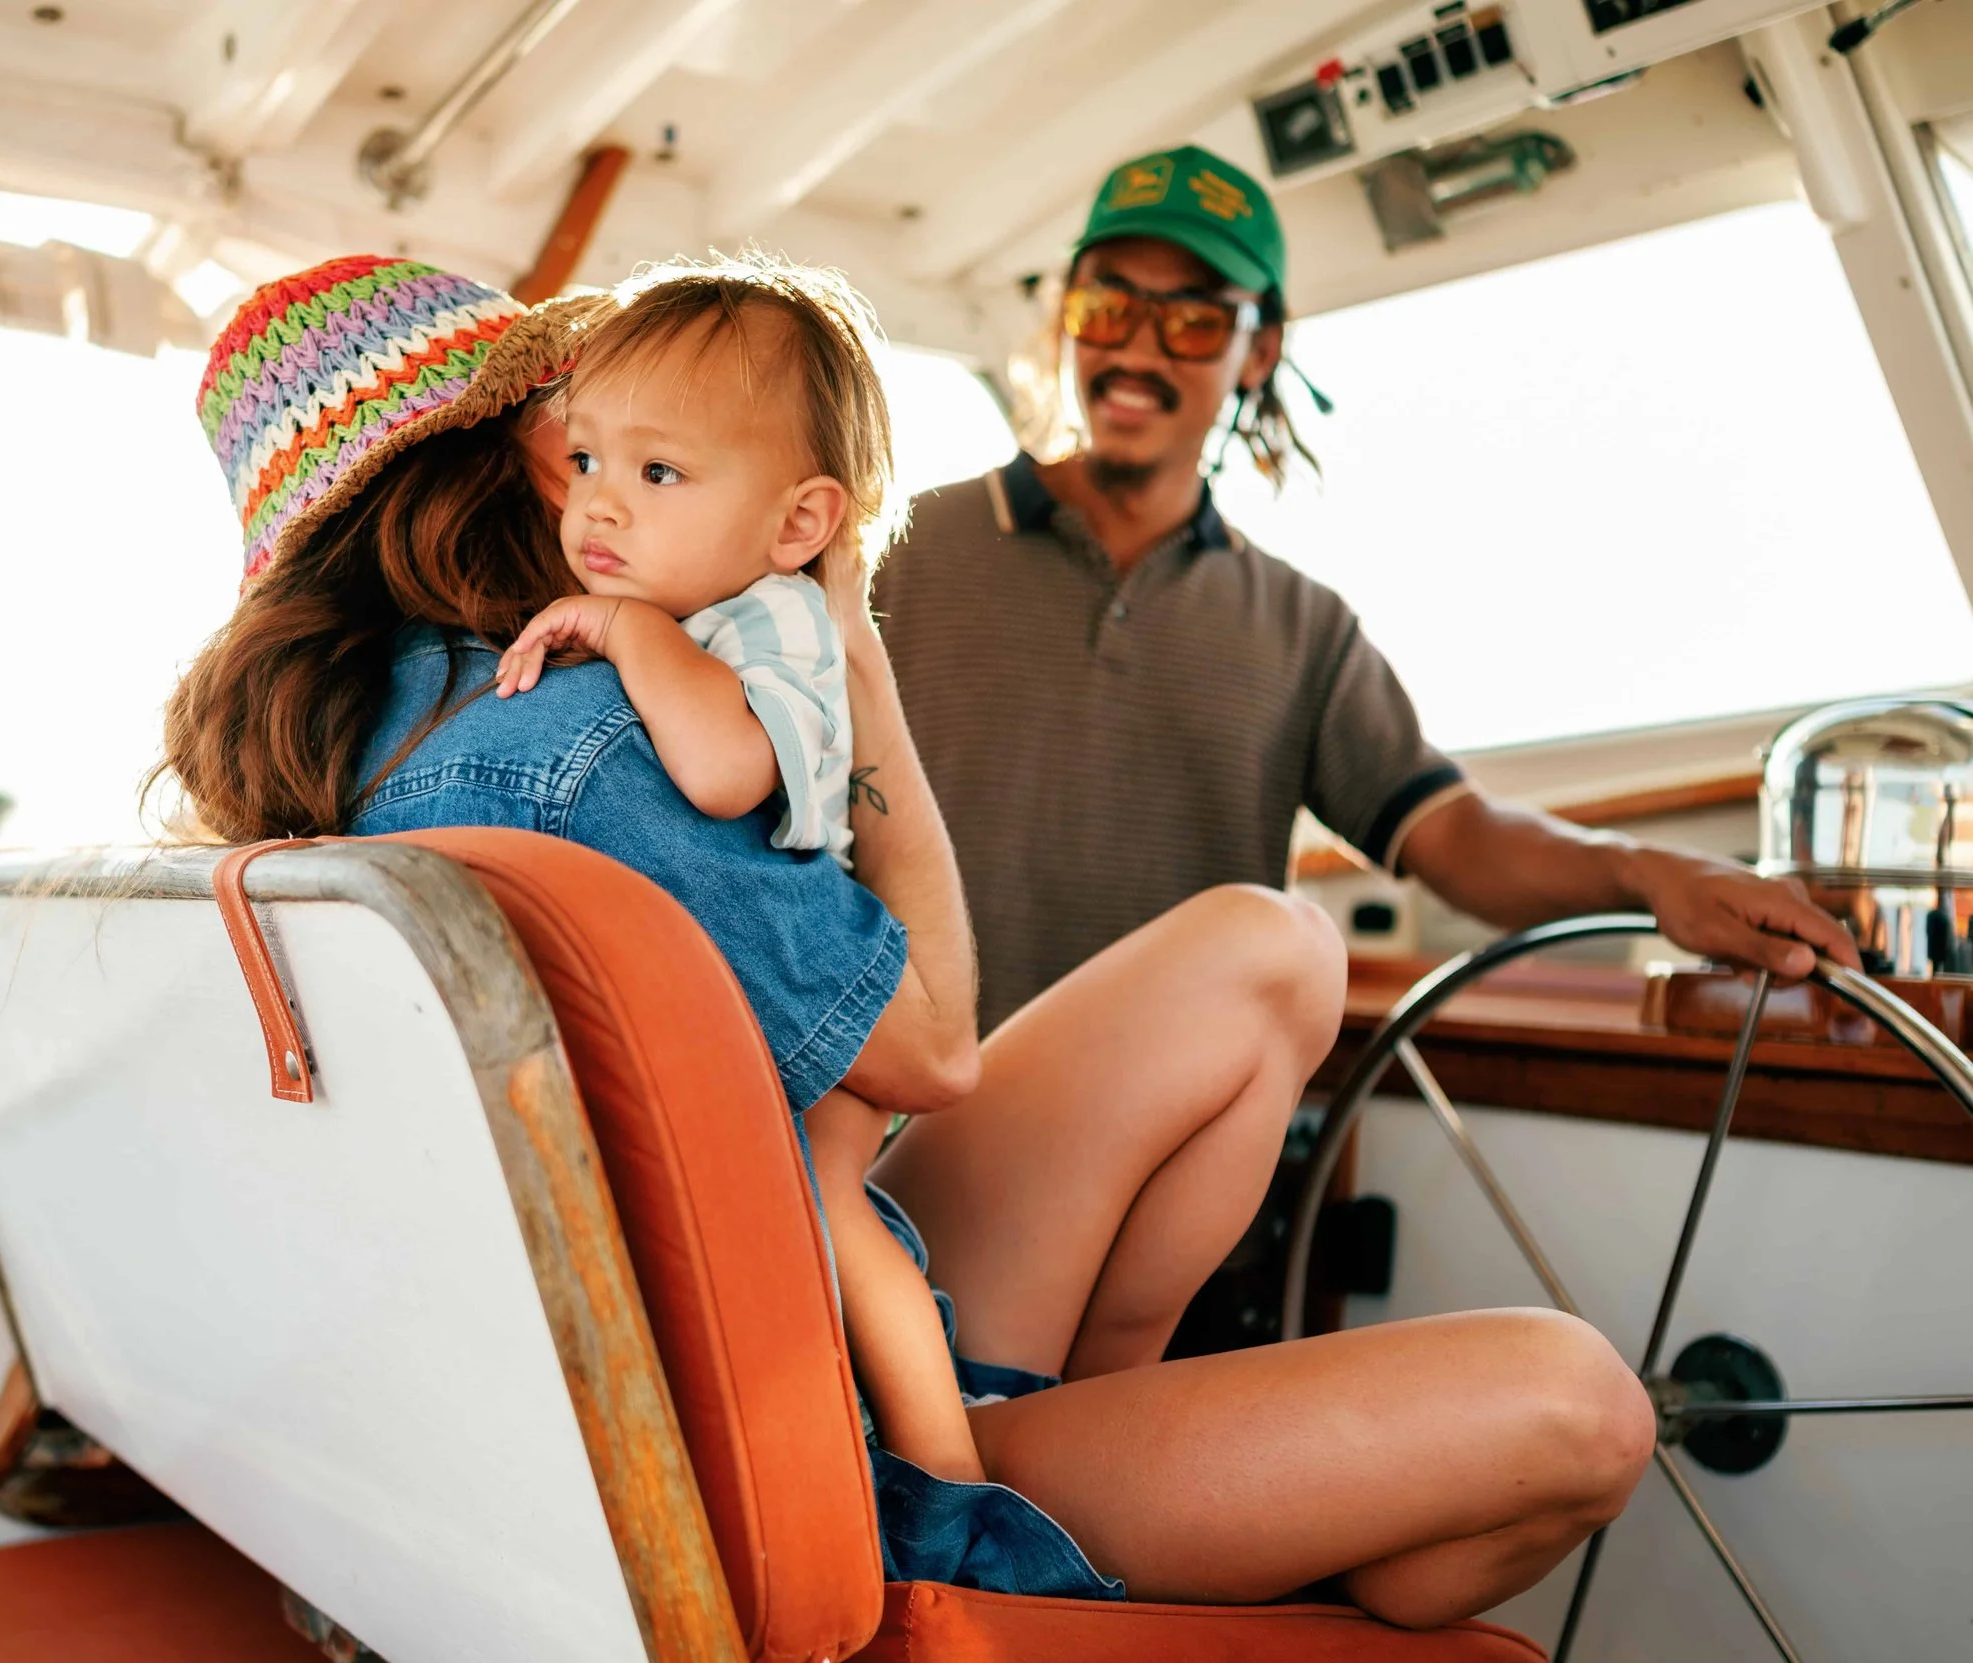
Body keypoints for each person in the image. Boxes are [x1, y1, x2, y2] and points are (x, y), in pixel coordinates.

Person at [158, 253, 1653, 1626]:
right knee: (1585, 1408)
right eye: (566, 419)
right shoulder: (584, 743)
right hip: (825, 1447)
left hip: (720, 1360)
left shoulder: (346, 765)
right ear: (485, 461)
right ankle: (1067, 1514)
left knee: (1269, 945)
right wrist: (854, 645)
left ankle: (1121, 1445)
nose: (596, 456)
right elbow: (933, 1040)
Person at [877, 144, 1859, 1034]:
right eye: (1108, 306)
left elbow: (1456, 836)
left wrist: (1645, 873)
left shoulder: (1304, 631)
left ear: (1257, 352)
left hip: (1158, 1142)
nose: (1135, 350)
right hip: (891, 1123)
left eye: (1191, 320)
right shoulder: (895, 553)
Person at [491, 260, 983, 1484]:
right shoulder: (708, 599)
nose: (600, 508)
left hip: (826, 968)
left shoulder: (766, 617)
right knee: (806, 1213)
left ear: (800, 525)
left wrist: (622, 629)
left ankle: (954, 1483)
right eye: (587, 461)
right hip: (789, 975)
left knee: (834, 1211)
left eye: (657, 473)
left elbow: (717, 773)